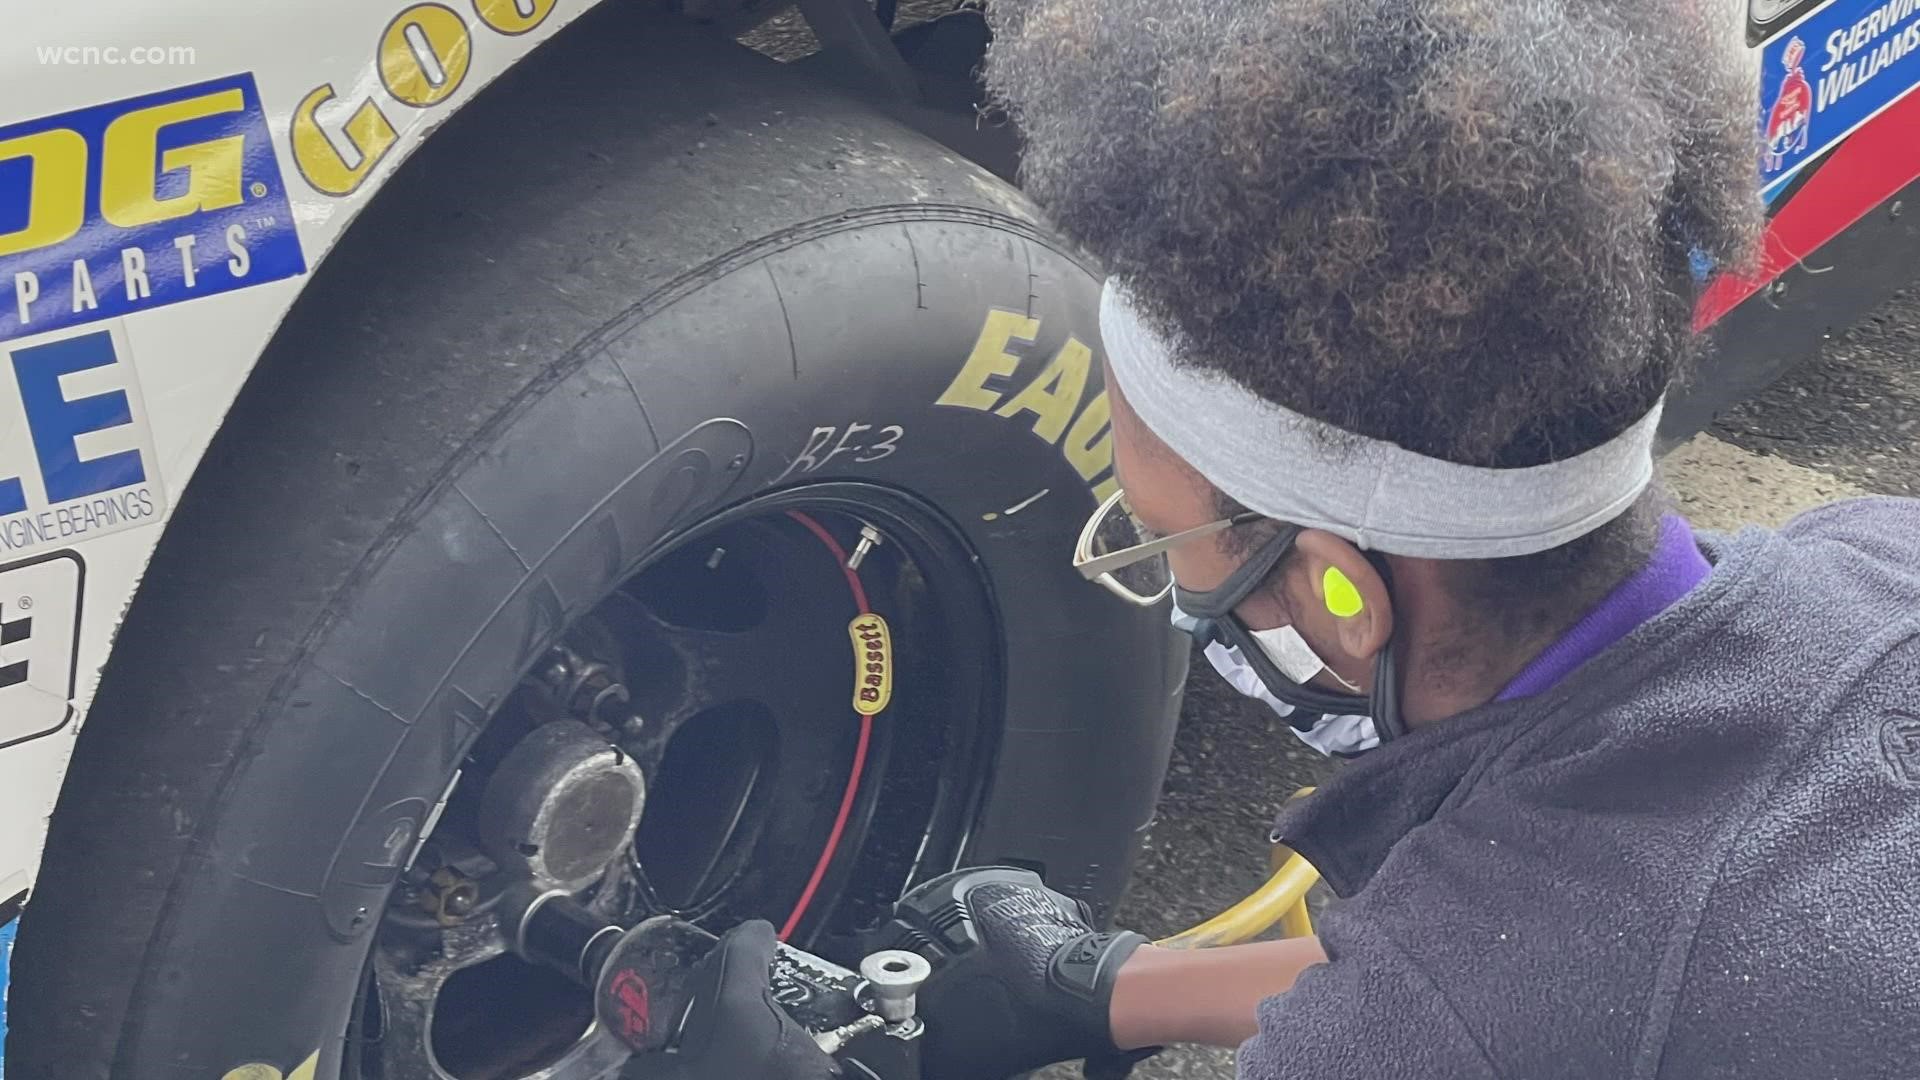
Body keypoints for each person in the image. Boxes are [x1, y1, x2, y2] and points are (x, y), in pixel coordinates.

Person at [634, 1, 1920, 1077]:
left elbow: (1523, 995)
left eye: (1155, 540)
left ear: (1343, 593)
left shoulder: (1430, 1040)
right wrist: (1121, 985)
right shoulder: (1876, 564)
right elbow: (1593, 965)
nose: (1167, 585)